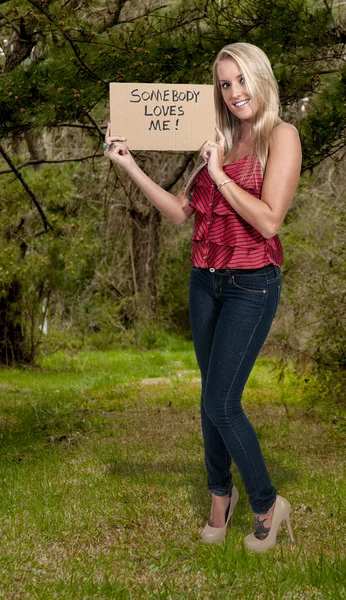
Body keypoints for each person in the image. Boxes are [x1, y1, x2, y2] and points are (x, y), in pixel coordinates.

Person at [103, 42, 302, 552]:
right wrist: (128, 163)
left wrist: (217, 175)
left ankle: (266, 503)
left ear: (261, 77)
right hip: (204, 281)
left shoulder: (281, 136)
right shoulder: (219, 137)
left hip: (251, 283)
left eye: (241, 80)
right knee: (208, 400)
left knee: (222, 400)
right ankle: (220, 497)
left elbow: (269, 219)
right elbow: (179, 211)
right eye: (224, 83)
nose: (234, 92)